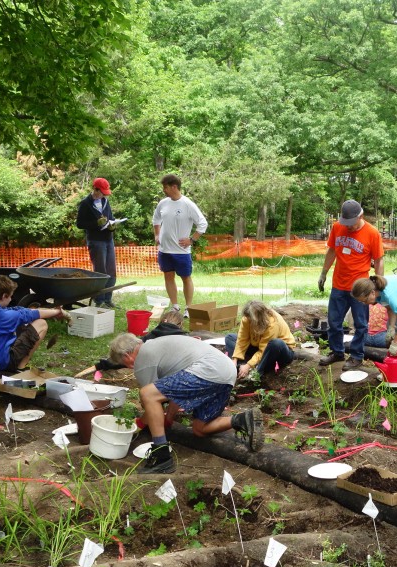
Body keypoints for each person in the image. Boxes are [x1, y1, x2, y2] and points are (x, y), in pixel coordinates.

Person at [108, 333, 263, 474]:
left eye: (125, 364)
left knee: (147, 393)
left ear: (127, 355)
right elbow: (175, 389)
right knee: (199, 429)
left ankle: (162, 457)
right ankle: (242, 419)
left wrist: (139, 424)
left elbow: (152, 400)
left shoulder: (143, 358)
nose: (129, 367)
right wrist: (169, 417)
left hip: (208, 371)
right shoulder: (160, 347)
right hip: (227, 373)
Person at [317, 200, 385, 371]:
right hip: (339, 283)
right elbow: (332, 250)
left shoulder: (372, 233)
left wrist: (377, 284)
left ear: (360, 216)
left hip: (360, 288)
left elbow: (378, 259)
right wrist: (324, 272)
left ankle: (356, 356)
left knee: (361, 324)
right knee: (334, 322)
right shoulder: (337, 227)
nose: (348, 227)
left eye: (351, 223)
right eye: (345, 223)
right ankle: (337, 352)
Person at [0, 275, 70, 371]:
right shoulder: (5, 316)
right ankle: (20, 367)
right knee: (41, 323)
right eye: (10, 297)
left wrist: (51, 310)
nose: (11, 299)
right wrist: (57, 312)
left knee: (23, 322)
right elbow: (30, 314)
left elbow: (20, 310)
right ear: (4, 296)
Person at [153, 174, 208, 318]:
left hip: (181, 251)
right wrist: (157, 235)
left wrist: (191, 239)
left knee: (186, 277)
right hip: (164, 250)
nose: (164, 190)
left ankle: (188, 307)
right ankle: (175, 306)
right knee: (168, 276)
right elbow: (156, 219)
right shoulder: (163, 203)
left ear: (174, 187)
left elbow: (203, 224)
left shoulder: (187, 204)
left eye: (165, 187)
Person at [224, 301, 298, 380]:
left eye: (251, 320)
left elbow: (263, 350)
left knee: (276, 343)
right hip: (258, 347)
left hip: (278, 352)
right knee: (230, 338)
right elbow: (242, 339)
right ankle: (240, 367)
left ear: (258, 319)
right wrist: (234, 359)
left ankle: (257, 373)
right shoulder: (247, 318)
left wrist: (249, 365)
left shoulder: (272, 323)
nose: (249, 321)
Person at [76, 177, 117, 308]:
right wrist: (95, 224)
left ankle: (108, 300)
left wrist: (112, 225)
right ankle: (99, 300)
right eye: (102, 192)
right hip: (96, 241)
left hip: (108, 239)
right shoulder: (85, 203)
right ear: (95, 189)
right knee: (101, 272)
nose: (104, 194)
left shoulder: (105, 201)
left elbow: (111, 218)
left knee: (111, 271)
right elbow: (80, 224)